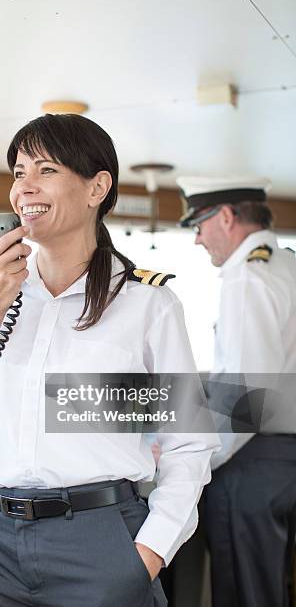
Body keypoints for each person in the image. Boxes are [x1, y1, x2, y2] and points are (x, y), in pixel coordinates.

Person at [0, 114, 219, 607]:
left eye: (46, 170)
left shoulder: (148, 303)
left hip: (102, 543)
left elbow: (188, 446)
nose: (24, 188)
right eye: (18, 173)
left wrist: (149, 551)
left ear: (98, 186)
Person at [178, 175, 296, 607]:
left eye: (198, 225)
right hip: (282, 457)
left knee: (246, 592)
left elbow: (247, 398)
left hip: (253, 461)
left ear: (225, 218)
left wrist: (195, 456)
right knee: (268, 584)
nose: (197, 240)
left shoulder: (246, 277)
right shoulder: (286, 262)